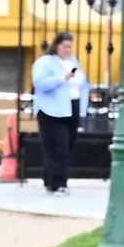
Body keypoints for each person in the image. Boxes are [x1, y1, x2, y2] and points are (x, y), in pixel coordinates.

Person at [29, 33, 86, 194]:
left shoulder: (73, 62)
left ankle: (51, 179)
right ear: (56, 46)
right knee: (56, 146)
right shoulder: (45, 62)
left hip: (71, 106)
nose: (68, 50)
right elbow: (39, 84)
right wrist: (62, 78)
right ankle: (59, 183)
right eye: (64, 46)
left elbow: (82, 82)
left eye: (70, 46)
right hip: (51, 109)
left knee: (68, 146)